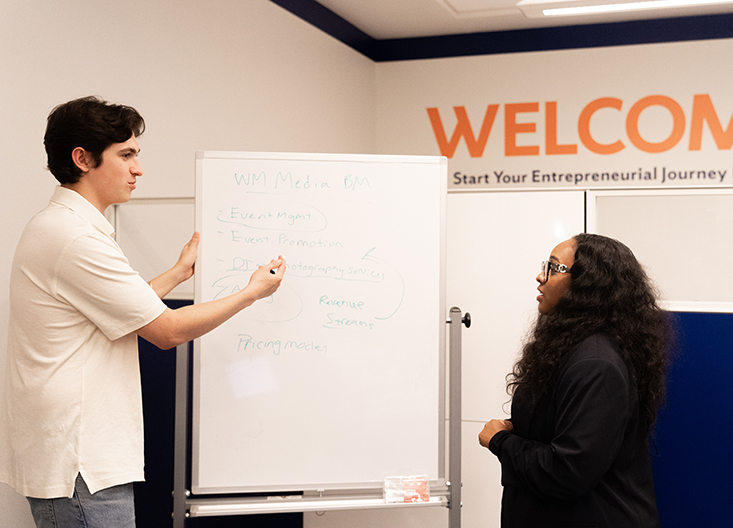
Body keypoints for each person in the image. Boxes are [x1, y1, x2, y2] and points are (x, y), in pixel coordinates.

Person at [0, 96, 286, 527]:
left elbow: (119, 311)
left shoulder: (67, 228)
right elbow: (166, 330)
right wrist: (251, 292)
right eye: (126, 154)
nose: (138, 169)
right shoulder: (75, 237)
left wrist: (175, 274)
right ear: (82, 159)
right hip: (81, 466)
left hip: (83, 462)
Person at [479, 233, 673, 527]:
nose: (539, 277)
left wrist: (500, 441)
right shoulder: (572, 347)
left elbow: (567, 472)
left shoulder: (596, 363)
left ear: (588, 284)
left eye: (554, 268)